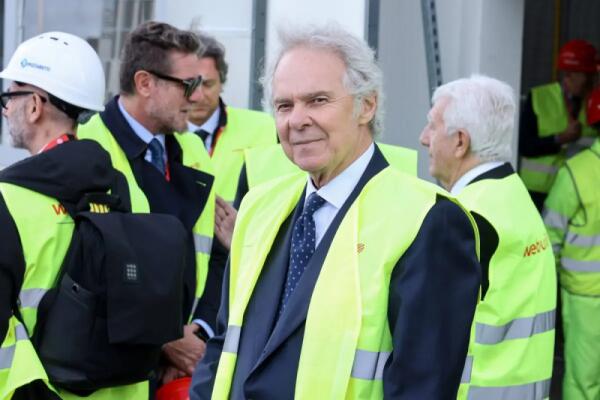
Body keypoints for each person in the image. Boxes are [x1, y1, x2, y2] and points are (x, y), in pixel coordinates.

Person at [190, 24, 481, 400]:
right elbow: (223, 344)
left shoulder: (428, 219)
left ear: (367, 105)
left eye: (317, 100)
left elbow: (423, 387)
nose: (297, 120)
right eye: (284, 105)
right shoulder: (259, 207)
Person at [0, 32, 147, 399]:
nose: (5, 109)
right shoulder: (128, 191)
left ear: (35, 106)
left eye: (10, 97)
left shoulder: (8, 199)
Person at [77, 21, 215, 385]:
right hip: (112, 369)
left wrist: (197, 331)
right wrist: (165, 338)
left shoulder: (192, 149)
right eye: (188, 85)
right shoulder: (86, 148)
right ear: (145, 83)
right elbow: (81, 273)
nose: (197, 97)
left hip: (181, 370)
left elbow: (214, 252)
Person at [420, 75, 557, 400]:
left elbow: (429, 338)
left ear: (460, 142)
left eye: (433, 126)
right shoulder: (515, 194)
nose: (424, 138)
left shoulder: (460, 217)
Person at [186, 31, 278, 334]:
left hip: (244, 266)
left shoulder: (264, 129)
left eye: (207, 84)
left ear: (222, 82)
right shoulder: (163, 137)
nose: (197, 96)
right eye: (190, 85)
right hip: (186, 274)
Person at [543, 87, 600, 400]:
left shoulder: (576, 172)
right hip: (586, 296)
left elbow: (549, 238)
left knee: (583, 381)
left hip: (585, 297)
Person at [519, 39, 598, 211]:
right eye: (588, 76)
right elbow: (525, 146)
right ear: (569, 74)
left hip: (578, 191)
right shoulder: (539, 98)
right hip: (538, 194)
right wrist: (560, 139)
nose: (592, 83)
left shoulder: (595, 104)